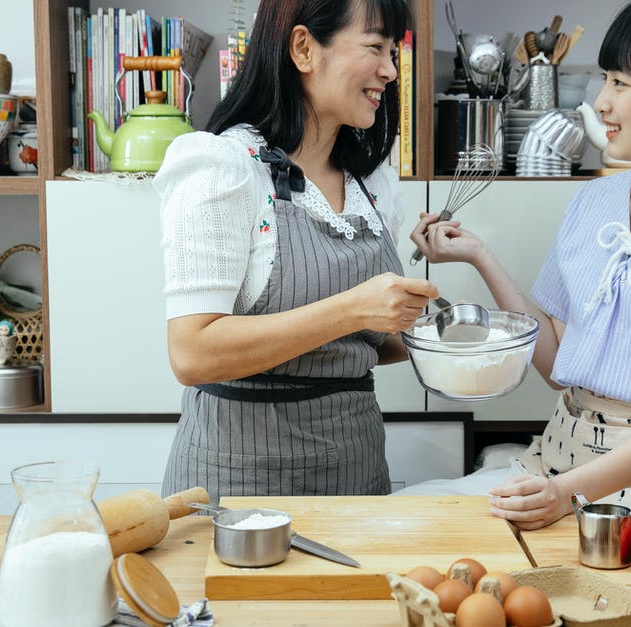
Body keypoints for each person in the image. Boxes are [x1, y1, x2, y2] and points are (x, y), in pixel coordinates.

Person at [407, 0, 631, 529]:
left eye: (622, 84)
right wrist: (478, 256)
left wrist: (564, 495)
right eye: (606, 79)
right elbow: (559, 366)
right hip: (559, 456)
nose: (601, 102)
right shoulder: (593, 202)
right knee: (421, 518)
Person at [154, 0, 436, 503]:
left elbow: (370, 346)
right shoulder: (223, 168)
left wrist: (429, 330)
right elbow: (192, 352)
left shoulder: (373, 187)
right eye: (375, 47)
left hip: (357, 476)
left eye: (394, 52)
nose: (391, 71)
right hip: (238, 489)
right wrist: (354, 308)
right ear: (304, 48)